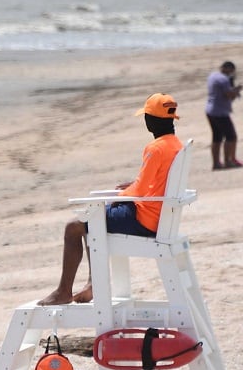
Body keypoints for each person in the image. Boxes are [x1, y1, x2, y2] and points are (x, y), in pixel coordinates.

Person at [38, 93, 183, 307]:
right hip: (159, 216)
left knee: (74, 227)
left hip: (144, 220)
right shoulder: (176, 145)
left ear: (149, 121)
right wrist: (130, 189)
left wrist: (121, 196)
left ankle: (64, 291)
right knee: (95, 216)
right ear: (171, 118)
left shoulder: (155, 148)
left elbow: (141, 190)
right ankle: (91, 283)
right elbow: (151, 184)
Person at [205, 61, 243, 171]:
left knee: (217, 137)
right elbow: (228, 95)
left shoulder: (213, 76)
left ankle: (216, 163)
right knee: (231, 136)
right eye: (231, 71)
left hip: (210, 110)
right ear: (227, 69)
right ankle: (228, 161)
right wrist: (237, 90)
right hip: (220, 112)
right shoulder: (223, 79)